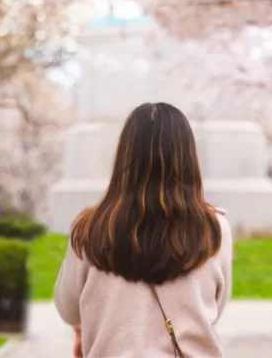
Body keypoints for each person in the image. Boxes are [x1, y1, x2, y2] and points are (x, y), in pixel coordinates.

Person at [54, 102, 234, 358]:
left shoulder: (89, 229)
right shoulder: (215, 229)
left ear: (125, 156)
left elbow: (68, 309)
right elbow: (214, 308)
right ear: (187, 157)